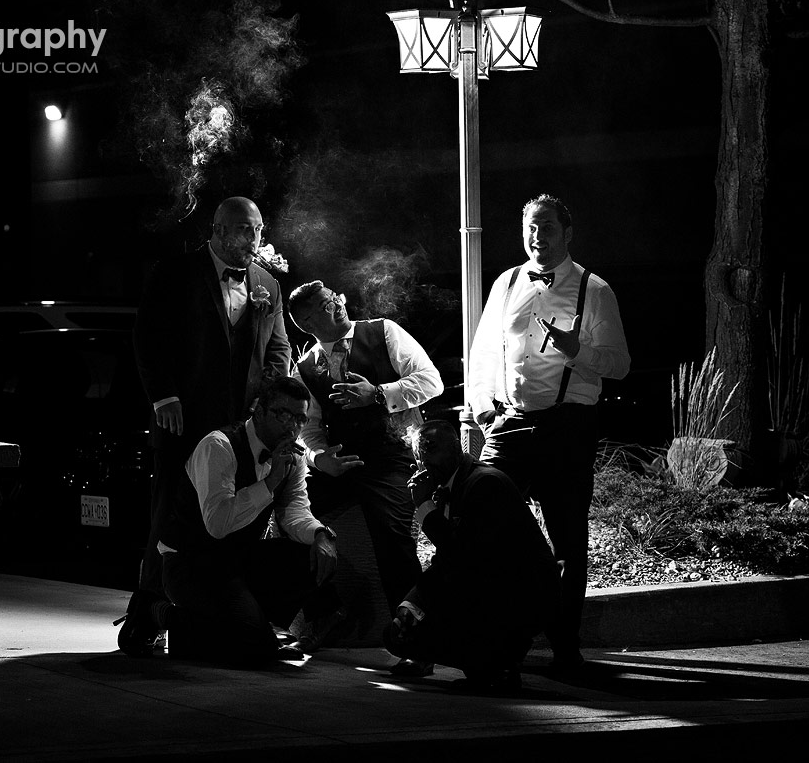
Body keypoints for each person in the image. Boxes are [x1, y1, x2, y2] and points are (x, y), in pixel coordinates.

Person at [121, 196, 291, 656]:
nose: (251, 239)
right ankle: (147, 614)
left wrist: (269, 398)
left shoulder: (267, 285)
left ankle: (228, 608)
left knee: (239, 518)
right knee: (169, 519)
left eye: (256, 230)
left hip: (241, 428)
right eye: (242, 230)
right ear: (216, 230)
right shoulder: (176, 272)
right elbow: (148, 336)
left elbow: (277, 348)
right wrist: (164, 396)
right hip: (185, 419)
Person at [467, 194, 630, 670]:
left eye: (547, 227)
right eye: (531, 228)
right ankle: (489, 636)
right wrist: (482, 409)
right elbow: (482, 351)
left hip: (567, 425)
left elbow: (619, 364)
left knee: (566, 539)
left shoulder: (594, 290)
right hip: (509, 423)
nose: (537, 236)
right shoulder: (507, 281)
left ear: (567, 233)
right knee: (481, 519)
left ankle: (564, 647)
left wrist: (578, 350)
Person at [288, 280, 443, 674]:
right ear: (307, 323)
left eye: (334, 298)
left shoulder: (383, 331)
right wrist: (320, 458)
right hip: (341, 463)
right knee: (293, 519)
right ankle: (323, 612)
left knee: (392, 539)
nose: (336, 305)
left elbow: (431, 380)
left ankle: (418, 645)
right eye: (324, 307)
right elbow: (307, 427)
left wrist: (378, 393)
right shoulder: (305, 367)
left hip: (391, 457)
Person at [145, 376, 341, 664]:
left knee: (308, 556)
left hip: (238, 559)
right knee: (255, 649)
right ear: (259, 411)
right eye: (283, 414)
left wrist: (321, 534)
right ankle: (158, 611)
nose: (293, 426)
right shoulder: (219, 446)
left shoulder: (292, 456)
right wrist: (270, 482)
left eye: (300, 418)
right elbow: (217, 525)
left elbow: (294, 512)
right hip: (192, 562)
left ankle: (247, 622)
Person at [384, 420, 561, 692]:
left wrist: (424, 507)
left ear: (456, 448)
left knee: (473, 660)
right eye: (420, 454)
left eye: (431, 449)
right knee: (398, 635)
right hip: (488, 588)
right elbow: (446, 561)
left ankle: (500, 663)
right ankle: (485, 663)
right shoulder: (449, 484)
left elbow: (467, 557)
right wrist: (411, 604)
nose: (423, 460)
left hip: (518, 596)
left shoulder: (485, 483)